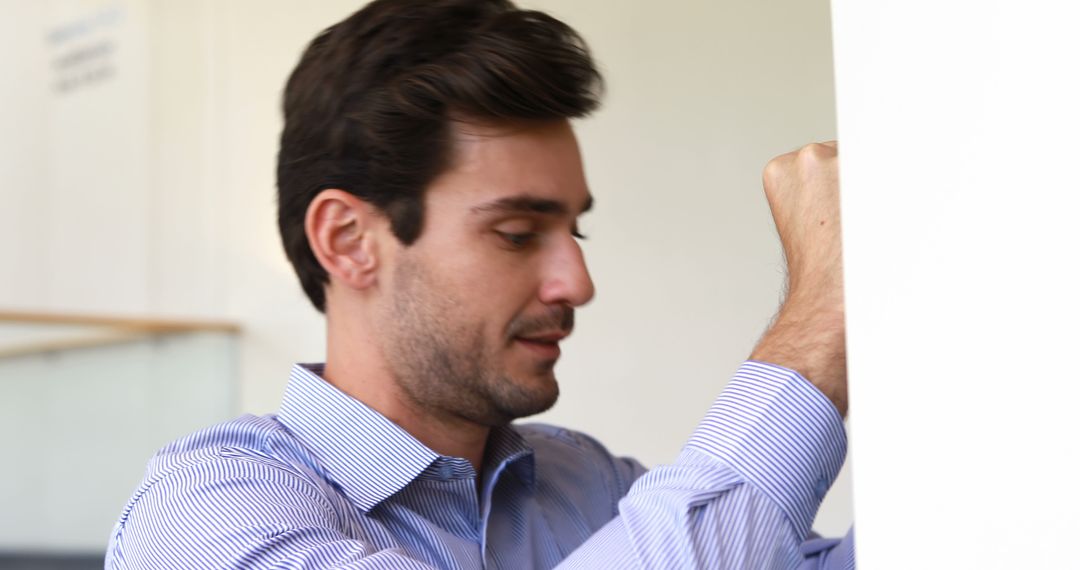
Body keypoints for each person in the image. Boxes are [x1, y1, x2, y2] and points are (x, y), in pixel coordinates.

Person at [106, 0, 855, 567]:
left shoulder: (587, 482)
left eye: (575, 231)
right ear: (349, 242)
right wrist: (816, 328)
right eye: (518, 234)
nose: (577, 281)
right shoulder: (205, 518)